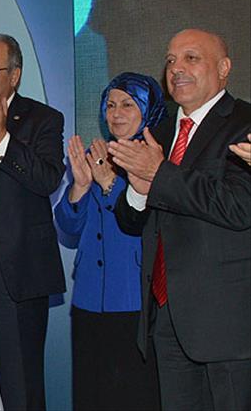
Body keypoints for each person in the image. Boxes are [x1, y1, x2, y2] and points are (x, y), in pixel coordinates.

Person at [110, 29, 250, 410]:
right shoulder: (160, 129)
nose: (176, 68)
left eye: (191, 58)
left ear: (224, 68)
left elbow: (239, 207)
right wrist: (139, 190)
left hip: (227, 324)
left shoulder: (244, 122)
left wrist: (160, 175)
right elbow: (131, 221)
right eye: (171, 60)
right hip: (166, 316)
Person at [0, 33, 65, 410]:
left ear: (14, 75)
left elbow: (47, 179)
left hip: (14, 269)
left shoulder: (42, 119)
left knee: (20, 384)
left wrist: (1, 139)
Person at [54, 72, 166, 410]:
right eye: (111, 105)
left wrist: (109, 184)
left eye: (127, 105)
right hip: (88, 296)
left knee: (131, 395)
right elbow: (68, 227)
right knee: (91, 392)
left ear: (147, 110)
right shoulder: (96, 153)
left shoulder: (157, 159)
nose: (116, 114)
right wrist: (79, 187)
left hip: (133, 297)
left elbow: (145, 222)